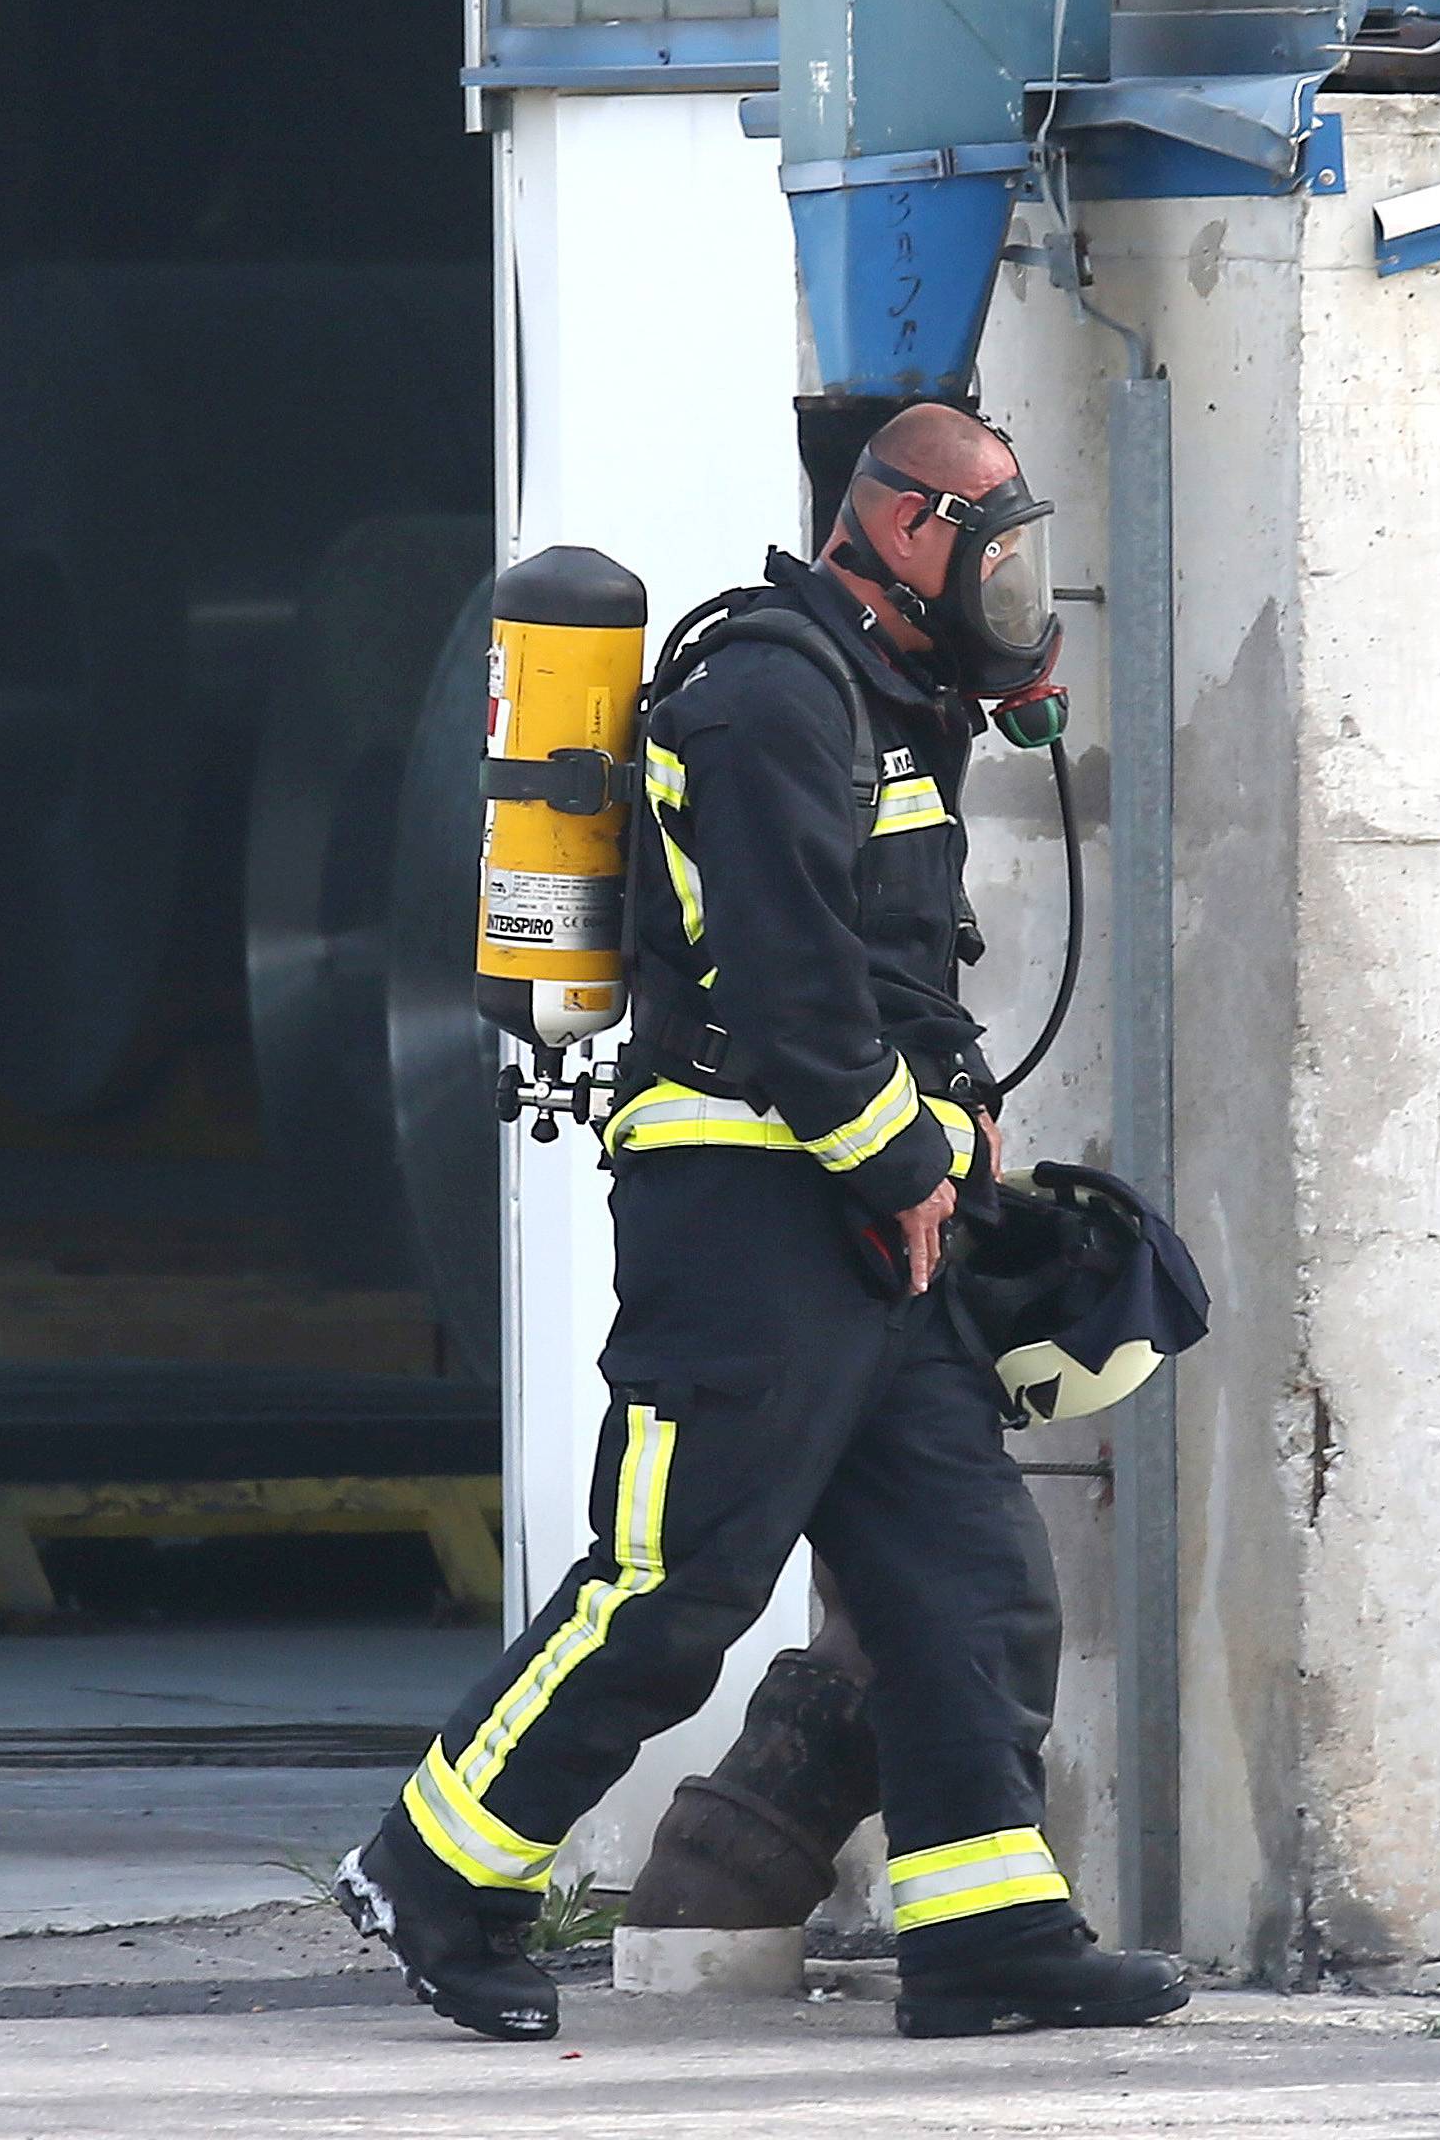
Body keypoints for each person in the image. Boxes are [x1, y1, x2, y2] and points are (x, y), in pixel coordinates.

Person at [336, 401, 1188, 2042]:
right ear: (910, 534)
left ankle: (987, 1937)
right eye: (1001, 564)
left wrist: (951, 1142)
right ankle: (431, 1873)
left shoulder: (889, 699)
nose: (1020, 602)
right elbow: (789, 997)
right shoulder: (765, 697)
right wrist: (909, 1167)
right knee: (673, 1590)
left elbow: (890, 980)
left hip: (877, 1228)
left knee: (964, 1583)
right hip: (746, 1222)